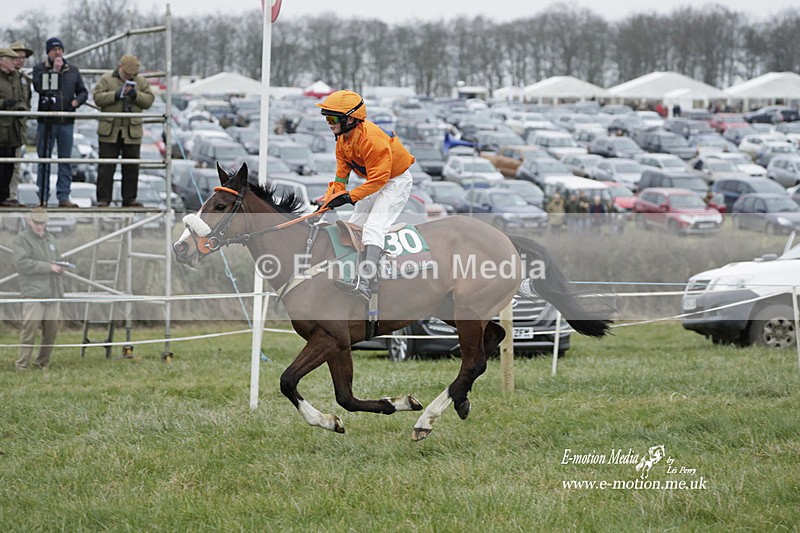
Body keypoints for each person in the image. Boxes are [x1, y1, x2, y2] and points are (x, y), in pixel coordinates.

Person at [316, 89, 415, 301]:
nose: (329, 123)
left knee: (373, 227)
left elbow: (379, 181)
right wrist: (329, 201)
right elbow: (341, 178)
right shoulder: (342, 140)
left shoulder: (373, 140)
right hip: (375, 183)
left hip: (395, 182)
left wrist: (350, 197)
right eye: (326, 119)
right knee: (353, 226)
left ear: (350, 118)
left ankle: (367, 281)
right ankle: (350, 274)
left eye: (333, 118)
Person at [31, 37, 88, 208]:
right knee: (44, 160)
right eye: (54, 50)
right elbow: (39, 88)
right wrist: (54, 73)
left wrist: (76, 102)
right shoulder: (39, 69)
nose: (58, 53)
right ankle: (43, 197)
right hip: (46, 121)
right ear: (48, 52)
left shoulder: (73, 71)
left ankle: (64, 196)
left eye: (60, 49)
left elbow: (83, 91)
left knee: (65, 161)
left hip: (66, 121)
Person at [93, 54, 155, 207]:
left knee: (131, 167)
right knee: (106, 168)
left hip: (131, 132)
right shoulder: (106, 79)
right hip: (110, 131)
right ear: (119, 67)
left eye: (131, 75)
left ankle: (129, 199)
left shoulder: (140, 81)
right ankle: (103, 200)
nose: (128, 77)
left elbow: (149, 100)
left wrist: (136, 96)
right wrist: (115, 95)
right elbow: (97, 98)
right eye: (126, 74)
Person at [13, 208, 66, 370]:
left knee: (51, 332)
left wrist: (61, 265)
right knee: (30, 330)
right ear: (29, 221)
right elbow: (22, 264)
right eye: (36, 223)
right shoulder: (21, 240)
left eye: (42, 223)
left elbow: (57, 259)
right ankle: (21, 365)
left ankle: (42, 363)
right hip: (33, 293)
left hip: (53, 292)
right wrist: (48, 267)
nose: (39, 226)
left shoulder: (51, 239)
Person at [7, 41, 34, 207]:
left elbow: (28, 102)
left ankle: (11, 195)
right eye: (17, 57)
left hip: (18, 127)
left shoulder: (25, 80)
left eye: (23, 58)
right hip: (4, 126)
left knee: (15, 164)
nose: (20, 61)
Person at [0, 47, 27, 207]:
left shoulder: (18, 77)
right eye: (11, 60)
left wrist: (22, 107)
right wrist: (3, 104)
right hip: (1, 127)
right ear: (2, 60)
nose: (14, 63)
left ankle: (4, 197)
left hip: (14, 127)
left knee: (9, 165)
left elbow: (23, 96)